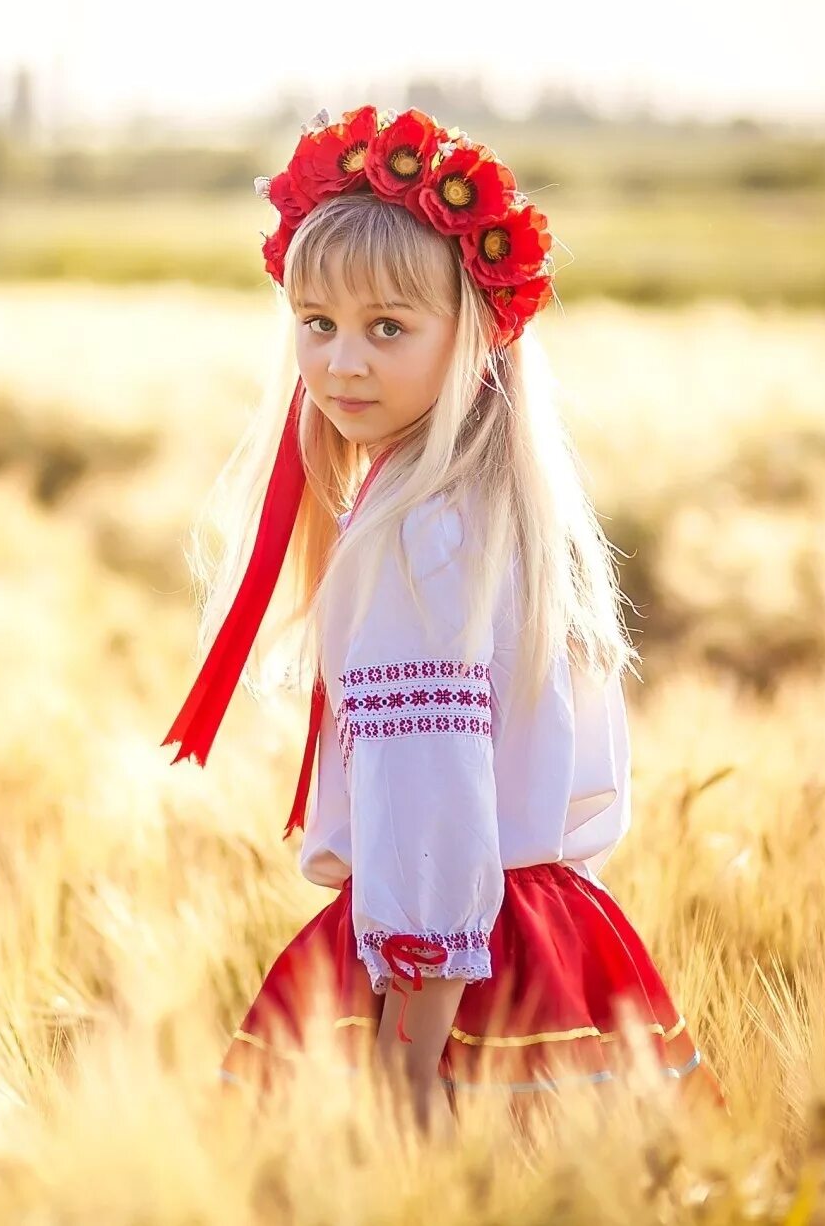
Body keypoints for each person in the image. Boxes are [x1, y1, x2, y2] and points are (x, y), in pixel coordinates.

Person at [162, 105, 724, 1134]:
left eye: (388, 327)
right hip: (558, 948)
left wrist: (410, 1070)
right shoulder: (498, 510)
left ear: (472, 333)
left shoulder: (414, 539)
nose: (341, 364)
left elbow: (432, 806)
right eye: (316, 324)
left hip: (441, 987)